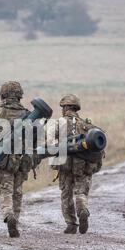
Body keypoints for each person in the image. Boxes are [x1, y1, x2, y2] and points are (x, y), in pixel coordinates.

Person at [0, 81, 34, 238]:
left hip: (2, 158)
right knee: (17, 192)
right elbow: (36, 138)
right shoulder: (28, 114)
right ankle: (15, 221)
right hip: (22, 158)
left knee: (5, 189)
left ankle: (8, 214)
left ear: (3, 95)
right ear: (19, 96)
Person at [52, 94, 104, 234]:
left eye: (63, 107)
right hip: (83, 165)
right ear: (76, 108)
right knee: (81, 192)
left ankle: (71, 224)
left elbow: (49, 142)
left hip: (65, 164)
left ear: (66, 108)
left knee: (66, 193)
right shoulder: (87, 125)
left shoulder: (59, 124)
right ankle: (82, 209)